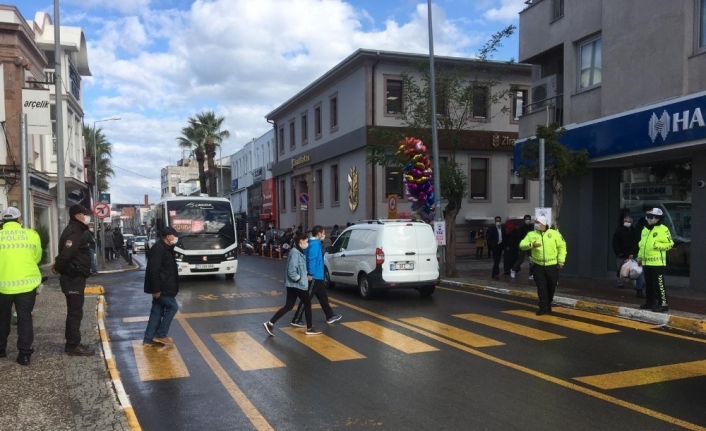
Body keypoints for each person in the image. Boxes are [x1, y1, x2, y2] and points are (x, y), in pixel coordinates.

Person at [0, 207, 42, 365]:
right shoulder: (32, 235)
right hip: (26, 285)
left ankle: (1, 350)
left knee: (2, 318)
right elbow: (37, 257)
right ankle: (24, 355)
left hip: (2, 286)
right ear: (19, 220)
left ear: (3, 221)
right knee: (25, 318)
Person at [53, 204, 95, 356]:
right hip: (72, 276)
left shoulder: (77, 230)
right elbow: (66, 254)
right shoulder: (74, 232)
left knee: (75, 311)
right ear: (78, 216)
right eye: (84, 214)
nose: (86, 217)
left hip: (76, 275)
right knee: (75, 312)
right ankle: (72, 345)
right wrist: (57, 267)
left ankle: (73, 342)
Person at [264, 233, 321, 336]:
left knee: (289, 306)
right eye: (306, 241)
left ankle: (270, 323)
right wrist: (299, 279)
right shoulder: (295, 252)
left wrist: (305, 276)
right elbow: (291, 270)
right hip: (296, 284)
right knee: (307, 303)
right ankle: (310, 328)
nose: (307, 243)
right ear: (301, 241)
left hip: (293, 284)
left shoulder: (299, 251)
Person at [291, 225, 341, 327]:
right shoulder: (314, 244)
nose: (324, 235)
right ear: (318, 234)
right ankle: (296, 319)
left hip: (318, 276)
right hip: (314, 276)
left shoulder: (313, 243)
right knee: (306, 298)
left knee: (323, 297)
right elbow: (311, 259)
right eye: (323, 233)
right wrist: (311, 273)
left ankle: (330, 316)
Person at [519, 215, 567, 315]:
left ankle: (548, 303)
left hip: (552, 266)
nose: (535, 224)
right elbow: (522, 245)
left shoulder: (554, 233)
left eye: (537, 222)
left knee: (551, 287)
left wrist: (561, 261)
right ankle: (543, 307)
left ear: (543, 224)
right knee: (541, 287)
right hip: (538, 265)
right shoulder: (531, 234)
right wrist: (531, 245)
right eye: (535, 222)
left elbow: (562, 246)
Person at [143, 226, 180, 346]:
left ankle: (148, 339)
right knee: (173, 307)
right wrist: (156, 289)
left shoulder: (167, 248)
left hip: (165, 285)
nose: (175, 237)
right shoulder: (159, 249)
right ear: (168, 236)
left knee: (157, 311)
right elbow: (153, 270)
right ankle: (160, 334)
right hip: (162, 287)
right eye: (174, 235)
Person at [637, 208, 674, 312]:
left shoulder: (663, 229)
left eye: (650, 217)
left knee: (659, 284)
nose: (648, 218)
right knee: (648, 284)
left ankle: (663, 303)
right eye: (647, 216)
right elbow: (642, 245)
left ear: (657, 218)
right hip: (646, 261)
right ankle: (650, 302)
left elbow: (670, 244)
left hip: (657, 262)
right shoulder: (645, 229)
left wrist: (656, 245)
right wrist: (639, 257)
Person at [612, 214, 644, 297]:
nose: (628, 223)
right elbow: (615, 243)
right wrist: (618, 253)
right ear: (623, 221)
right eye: (626, 221)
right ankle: (620, 283)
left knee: (634, 270)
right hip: (621, 254)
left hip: (631, 254)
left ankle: (635, 285)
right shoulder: (619, 231)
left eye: (629, 221)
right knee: (620, 269)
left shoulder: (633, 231)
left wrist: (633, 252)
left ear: (632, 222)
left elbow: (636, 242)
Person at [511, 214, 534, 280]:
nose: (528, 220)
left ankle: (531, 274)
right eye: (527, 219)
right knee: (521, 259)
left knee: (532, 260)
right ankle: (513, 270)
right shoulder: (521, 227)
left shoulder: (532, 226)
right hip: (523, 245)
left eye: (529, 219)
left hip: (530, 245)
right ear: (524, 220)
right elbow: (518, 237)